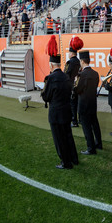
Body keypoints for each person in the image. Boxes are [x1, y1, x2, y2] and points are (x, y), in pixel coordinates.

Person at [41, 36, 78, 170]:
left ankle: (65, 162)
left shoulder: (50, 78)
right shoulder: (66, 77)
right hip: (67, 111)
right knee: (68, 136)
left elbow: (46, 97)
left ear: (51, 65)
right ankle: (74, 158)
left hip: (56, 113)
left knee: (59, 139)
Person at [74, 50, 102, 155]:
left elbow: (77, 90)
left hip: (83, 104)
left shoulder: (82, 75)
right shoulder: (95, 73)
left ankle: (91, 148)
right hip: (92, 103)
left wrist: (76, 82)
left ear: (82, 61)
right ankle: (98, 144)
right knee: (95, 124)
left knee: (86, 128)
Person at [65, 36, 83, 128]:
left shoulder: (69, 62)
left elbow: (66, 74)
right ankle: (80, 119)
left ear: (71, 53)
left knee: (72, 104)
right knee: (78, 103)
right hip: (78, 85)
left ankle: (74, 121)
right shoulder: (79, 61)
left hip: (71, 86)